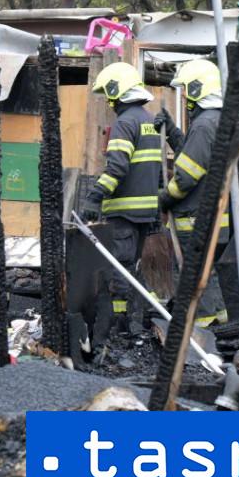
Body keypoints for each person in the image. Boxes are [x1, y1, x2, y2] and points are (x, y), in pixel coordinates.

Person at [81, 62, 161, 336]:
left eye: (109, 95)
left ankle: (119, 324)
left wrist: (95, 197)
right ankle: (138, 319)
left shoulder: (124, 123)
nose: (109, 101)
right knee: (132, 266)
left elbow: (117, 168)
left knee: (120, 267)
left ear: (118, 91)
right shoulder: (149, 121)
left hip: (124, 211)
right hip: (145, 211)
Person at [154, 58, 229, 326]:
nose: (185, 96)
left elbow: (186, 176)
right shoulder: (217, 121)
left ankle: (202, 328)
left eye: (187, 89)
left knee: (194, 274)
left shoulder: (204, 125)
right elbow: (192, 152)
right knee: (207, 271)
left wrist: (164, 198)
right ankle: (220, 323)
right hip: (214, 218)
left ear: (198, 89)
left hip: (195, 218)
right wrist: (172, 131)